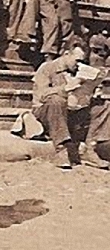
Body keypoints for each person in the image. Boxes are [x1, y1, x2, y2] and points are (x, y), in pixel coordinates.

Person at [32, 38, 110, 170]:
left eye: (82, 61)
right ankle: (61, 149)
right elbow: (40, 95)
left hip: (72, 111)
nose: (79, 64)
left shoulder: (79, 71)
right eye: (77, 60)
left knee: (104, 105)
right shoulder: (47, 68)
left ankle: (90, 148)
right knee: (57, 101)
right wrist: (65, 88)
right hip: (46, 113)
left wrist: (91, 90)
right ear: (67, 54)